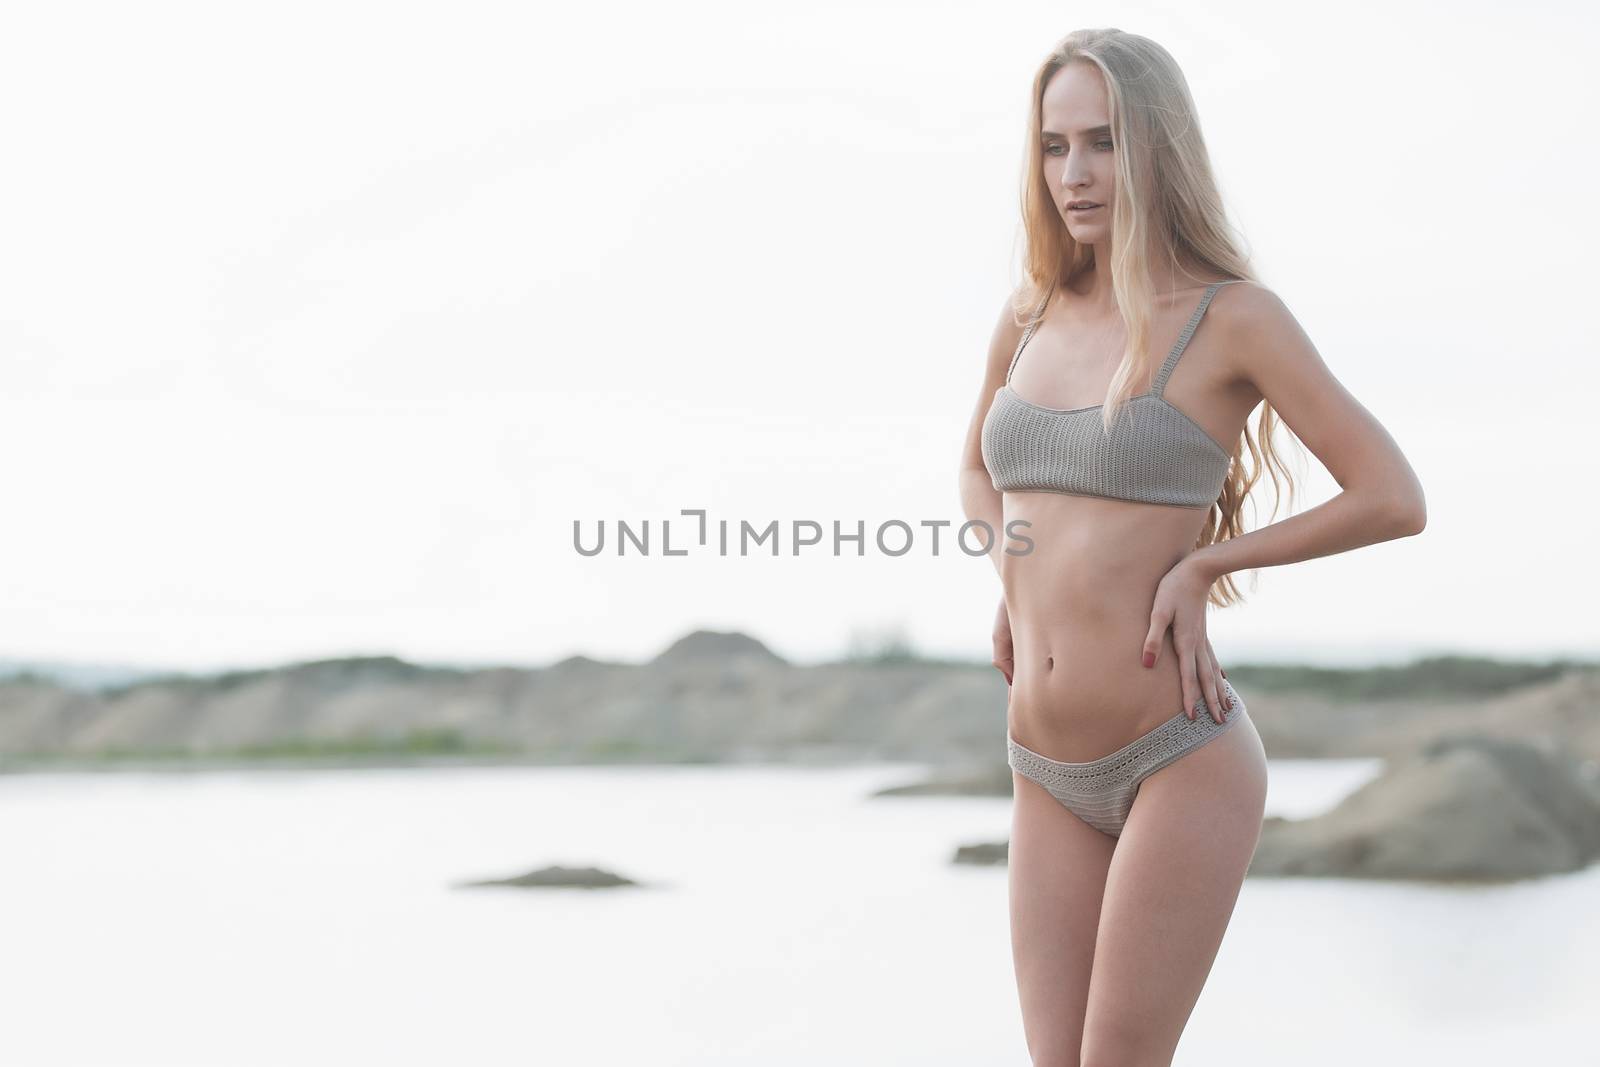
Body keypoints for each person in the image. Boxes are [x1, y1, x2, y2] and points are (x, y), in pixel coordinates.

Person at [957, 27, 1427, 1067]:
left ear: (1157, 147)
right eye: (1051, 146)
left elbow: (1391, 495)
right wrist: (1016, 570)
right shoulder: (1028, 312)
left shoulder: (1232, 319)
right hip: (1042, 760)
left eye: (1101, 141)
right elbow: (975, 474)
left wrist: (1208, 561)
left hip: (1179, 751)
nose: (1072, 172)